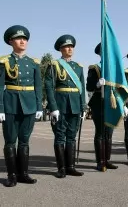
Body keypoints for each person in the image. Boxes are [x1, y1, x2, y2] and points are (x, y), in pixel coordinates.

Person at [0, 25, 43, 187]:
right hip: (10, 105)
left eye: (25, 39)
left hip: (29, 105)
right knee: (10, 141)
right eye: (19, 38)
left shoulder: (34, 62)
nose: (23, 41)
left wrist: (39, 107)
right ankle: (12, 175)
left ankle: (24, 174)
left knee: (24, 141)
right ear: (11, 41)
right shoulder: (4, 61)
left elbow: (38, 87)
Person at [45, 34, 86, 178]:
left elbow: (82, 88)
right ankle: (61, 168)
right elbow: (49, 87)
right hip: (60, 104)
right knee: (60, 136)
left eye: (71, 47)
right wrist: (53, 107)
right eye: (66, 47)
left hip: (75, 105)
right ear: (61, 49)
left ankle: (71, 167)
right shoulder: (54, 64)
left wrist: (83, 106)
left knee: (71, 136)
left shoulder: (79, 67)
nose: (70, 49)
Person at [86, 43, 118, 171]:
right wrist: (97, 84)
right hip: (98, 102)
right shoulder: (94, 68)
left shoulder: (113, 68)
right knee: (100, 132)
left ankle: (107, 159)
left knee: (109, 133)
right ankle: (100, 161)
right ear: (100, 53)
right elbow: (89, 87)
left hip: (111, 103)